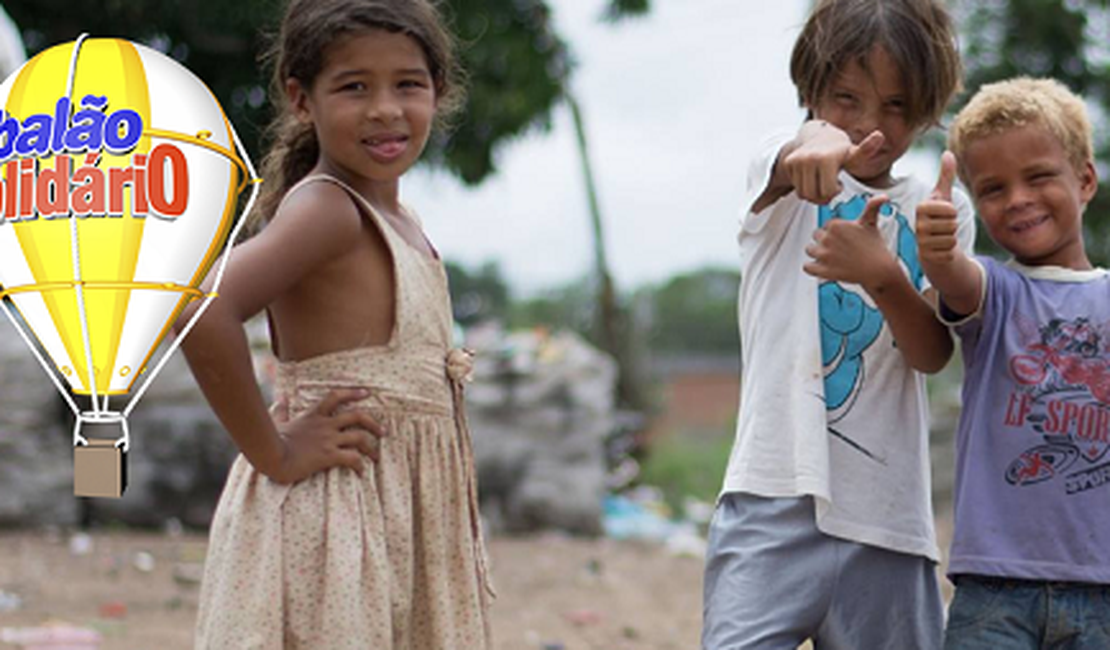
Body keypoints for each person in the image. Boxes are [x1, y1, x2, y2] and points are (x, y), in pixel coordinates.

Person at [175, 1, 494, 647]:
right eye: (354, 86)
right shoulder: (328, 209)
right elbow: (202, 308)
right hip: (336, 520)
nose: (385, 108)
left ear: (439, 91)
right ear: (301, 99)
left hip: (398, 521)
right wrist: (274, 449)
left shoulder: (401, 221)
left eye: (408, 83)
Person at [701, 0, 974, 647]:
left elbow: (932, 354)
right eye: (845, 98)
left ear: (929, 108)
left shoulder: (939, 205)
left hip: (887, 519)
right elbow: (794, 153)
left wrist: (885, 277)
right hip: (770, 496)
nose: (868, 126)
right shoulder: (781, 180)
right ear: (810, 89)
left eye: (897, 107)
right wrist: (817, 138)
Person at [916, 77, 1110, 649]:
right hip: (993, 590)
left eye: (1039, 177)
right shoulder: (996, 291)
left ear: (1085, 180)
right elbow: (957, 275)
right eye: (994, 189)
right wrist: (939, 250)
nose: (1018, 198)